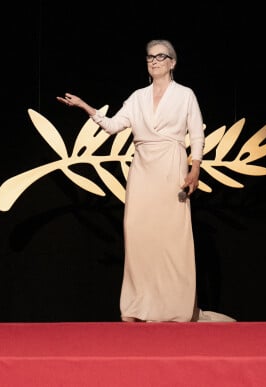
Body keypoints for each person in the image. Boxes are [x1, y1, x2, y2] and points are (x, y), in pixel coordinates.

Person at [57, 39, 206, 322]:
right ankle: (141, 305)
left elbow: (196, 134)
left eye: (161, 57)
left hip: (171, 165)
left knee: (172, 237)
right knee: (139, 235)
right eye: (150, 57)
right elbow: (113, 126)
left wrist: (194, 168)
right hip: (142, 168)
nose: (155, 61)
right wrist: (85, 107)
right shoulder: (137, 97)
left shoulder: (185, 95)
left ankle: (175, 306)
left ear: (173, 62)